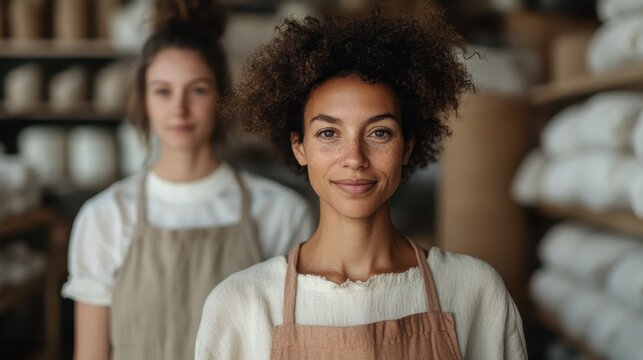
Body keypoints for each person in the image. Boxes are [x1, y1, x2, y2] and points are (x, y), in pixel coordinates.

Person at [195, 3, 527, 360]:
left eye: (379, 132)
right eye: (328, 133)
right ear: (299, 147)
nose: (354, 158)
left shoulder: (473, 291)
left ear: (407, 147)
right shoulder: (243, 305)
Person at [61, 1, 313, 359]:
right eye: (163, 91)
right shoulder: (104, 217)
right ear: (144, 101)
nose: (178, 108)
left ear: (222, 98)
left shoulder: (280, 212)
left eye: (196, 90)